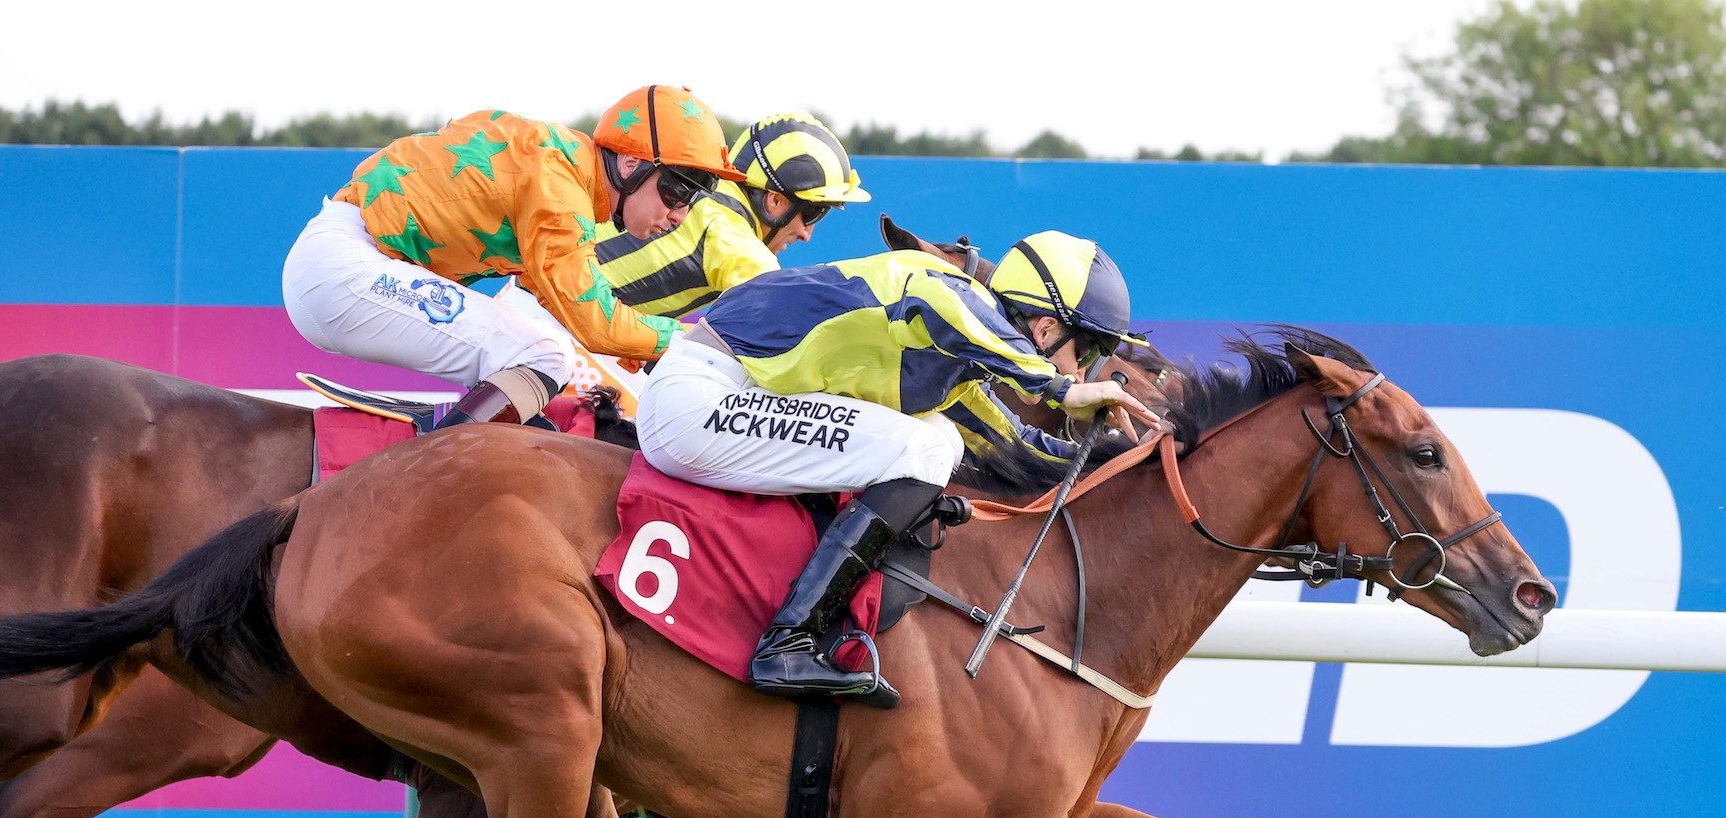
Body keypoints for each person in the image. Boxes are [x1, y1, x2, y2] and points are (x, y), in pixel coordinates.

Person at [637, 232, 1163, 707]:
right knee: (922, 445)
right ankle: (788, 641)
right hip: (698, 400)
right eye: (1088, 348)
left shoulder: (949, 365)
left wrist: (1129, 456)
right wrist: (1062, 389)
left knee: (938, 437)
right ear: (1046, 327)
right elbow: (951, 308)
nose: (1082, 365)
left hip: (718, 405)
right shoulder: (942, 289)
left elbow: (1021, 448)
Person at [282, 85, 743, 429]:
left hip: (343, 260)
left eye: (693, 199)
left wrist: (642, 352)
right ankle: (438, 472)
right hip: (345, 268)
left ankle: (451, 446)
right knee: (543, 356)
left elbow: (561, 302)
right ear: (630, 164)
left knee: (538, 350)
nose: (680, 214)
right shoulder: (559, 187)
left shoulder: (562, 168)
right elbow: (594, 323)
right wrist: (682, 345)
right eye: (677, 190)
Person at [594, 112, 869, 318]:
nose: (806, 234)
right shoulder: (738, 242)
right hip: (564, 326)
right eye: (812, 213)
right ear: (774, 200)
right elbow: (783, 327)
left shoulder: (707, 190)